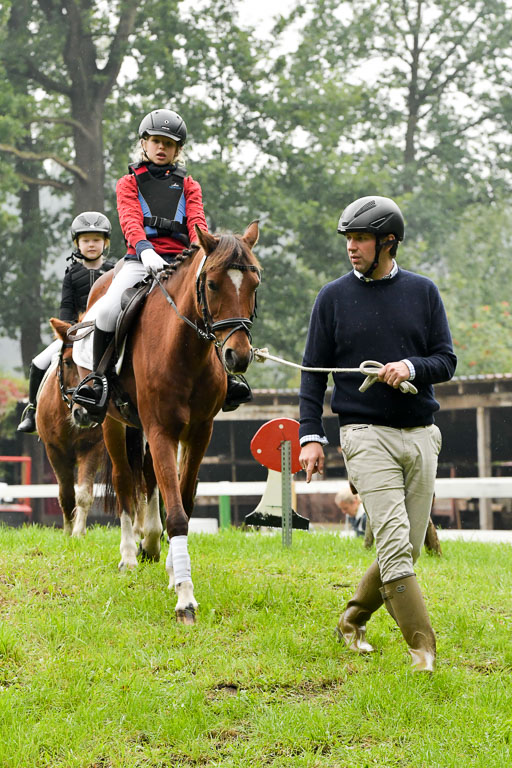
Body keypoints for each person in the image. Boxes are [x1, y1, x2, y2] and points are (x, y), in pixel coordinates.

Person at [298, 195, 456, 672]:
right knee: (391, 539)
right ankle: (422, 651)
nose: (352, 247)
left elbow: (446, 361)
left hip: (421, 433)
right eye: (348, 239)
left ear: (388, 242)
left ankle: (351, 619)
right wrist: (311, 436)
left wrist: (410, 365)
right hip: (364, 434)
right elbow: (312, 375)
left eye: (361, 239)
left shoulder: (424, 292)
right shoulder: (331, 297)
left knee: (405, 547)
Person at [73, 108, 252, 423]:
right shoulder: (128, 183)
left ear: (177, 150)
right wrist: (144, 250)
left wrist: (200, 252)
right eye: (155, 141)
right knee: (108, 309)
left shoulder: (189, 185)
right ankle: (98, 380)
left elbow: (197, 221)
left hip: (184, 261)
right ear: (144, 143)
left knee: (219, 299)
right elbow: (130, 221)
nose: (160, 148)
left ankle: (228, 375)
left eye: (168, 144)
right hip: (140, 260)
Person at [17, 211, 114, 433]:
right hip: (76, 334)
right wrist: (70, 331)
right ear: (77, 243)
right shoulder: (72, 274)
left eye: (96, 240)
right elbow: (66, 307)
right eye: (86, 240)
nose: (91, 245)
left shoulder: (113, 271)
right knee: (39, 362)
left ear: (105, 243)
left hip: (107, 334)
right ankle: (32, 411)